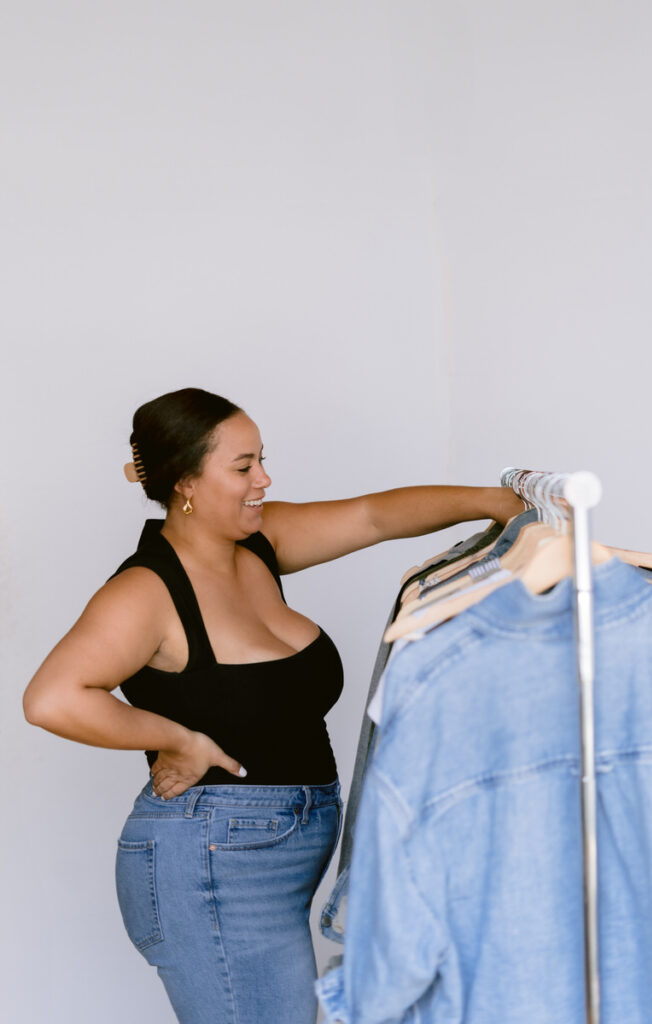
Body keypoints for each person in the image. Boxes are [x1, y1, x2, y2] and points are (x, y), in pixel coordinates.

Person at [23, 387, 524, 1024]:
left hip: (270, 852)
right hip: (210, 860)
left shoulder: (258, 542)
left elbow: (373, 516)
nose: (263, 479)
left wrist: (495, 502)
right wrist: (179, 739)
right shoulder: (145, 591)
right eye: (242, 467)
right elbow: (51, 698)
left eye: (261, 459)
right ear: (186, 483)